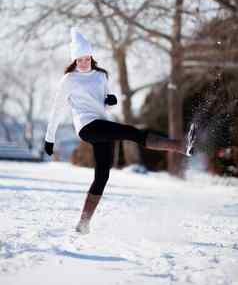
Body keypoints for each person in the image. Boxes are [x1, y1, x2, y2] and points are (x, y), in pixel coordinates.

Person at [44, 27, 195, 235]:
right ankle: (180, 145)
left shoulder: (101, 76)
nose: (83, 62)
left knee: (102, 176)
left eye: (86, 58)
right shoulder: (69, 80)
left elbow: (104, 100)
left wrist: (109, 99)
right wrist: (49, 138)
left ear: (91, 56)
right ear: (74, 60)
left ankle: (83, 223)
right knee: (131, 132)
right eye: (79, 60)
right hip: (87, 127)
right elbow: (57, 109)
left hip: (101, 123)